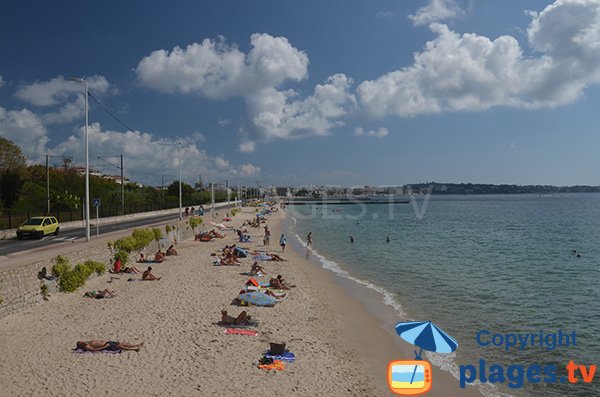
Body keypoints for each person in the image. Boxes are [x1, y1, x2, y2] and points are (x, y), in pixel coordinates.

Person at [76, 340, 143, 352]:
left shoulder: (87, 342)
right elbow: (94, 350)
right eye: (80, 343)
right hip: (106, 345)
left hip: (107, 342)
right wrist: (105, 347)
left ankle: (137, 345)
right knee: (120, 346)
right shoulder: (87, 347)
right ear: (81, 345)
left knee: (121, 343)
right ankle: (135, 349)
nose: (82, 341)